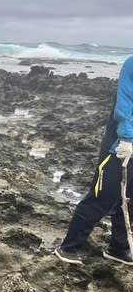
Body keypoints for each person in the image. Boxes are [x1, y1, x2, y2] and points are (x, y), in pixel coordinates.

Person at [54, 57, 133, 266]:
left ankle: (118, 248)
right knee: (103, 196)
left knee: (130, 200)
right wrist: (126, 138)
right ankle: (69, 247)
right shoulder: (132, 64)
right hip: (119, 145)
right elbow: (125, 102)